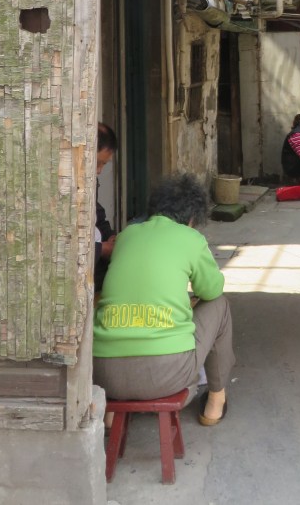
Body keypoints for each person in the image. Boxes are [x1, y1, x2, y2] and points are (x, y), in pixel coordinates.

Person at [93, 173, 234, 426]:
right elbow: (212, 290)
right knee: (219, 306)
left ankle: (111, 415)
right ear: (192, 218)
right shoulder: (190, 238)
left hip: (104, 374)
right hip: (166, 375)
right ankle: (215, 402)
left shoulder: (127, 235)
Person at [95, 122, 118, 293]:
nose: (99, 171)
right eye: (97, 163)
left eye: (104, 164)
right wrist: (101, 249)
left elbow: (97, 214)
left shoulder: (90, 181)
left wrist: (110, 237)